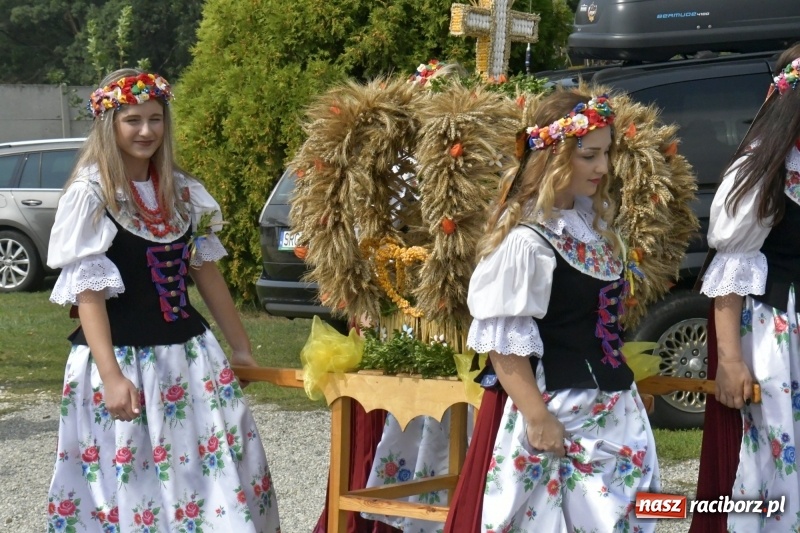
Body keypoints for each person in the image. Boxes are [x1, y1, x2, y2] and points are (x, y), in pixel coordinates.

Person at [44, 69, 281, 533]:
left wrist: (241, 346)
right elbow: (89, 294)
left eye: (156, 119)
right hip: (122, 360)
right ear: (108, 124)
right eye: (133, 119)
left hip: (190, 356)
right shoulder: (91, 194)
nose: (147, 131)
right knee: (131, 475)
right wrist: (111, 376)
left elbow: (206, 274)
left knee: (207, 469)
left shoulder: (182, 191)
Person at [444, 87, 660, 532]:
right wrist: (537, 418)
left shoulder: (592, 228)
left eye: (605, 155)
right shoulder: (527, 242)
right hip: (555, 413)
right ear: (555, 156)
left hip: (612, 410)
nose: (602, 168)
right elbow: (504, 345)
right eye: (589, 156)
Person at [690, 42, 800, 533]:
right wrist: (730, 361)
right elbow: (730, 272)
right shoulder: (763, 167)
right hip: (777, 331)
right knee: (770, 452)